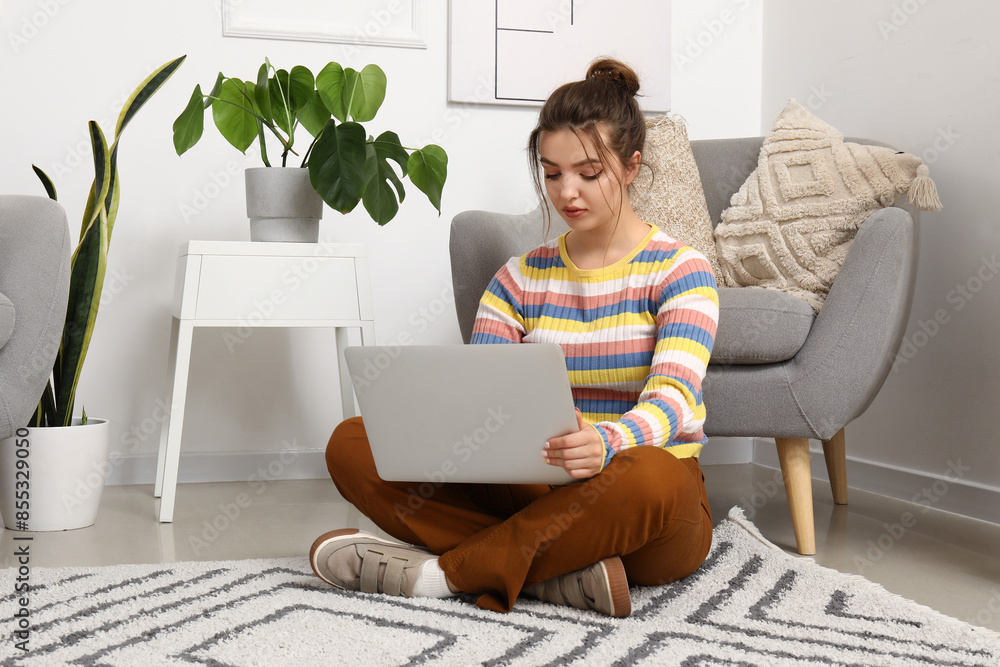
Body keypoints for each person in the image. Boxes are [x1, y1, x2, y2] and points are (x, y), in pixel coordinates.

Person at [309, 58, 719, 618]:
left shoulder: (681, 270)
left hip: (638, 503)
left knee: (651, 476)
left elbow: (672, 399)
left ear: (630, 167)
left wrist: (606, 443)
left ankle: (447, 574)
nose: (566, 192)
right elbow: (487, 396)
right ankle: (554, 572)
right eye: (551, 173)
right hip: (536, 490)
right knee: (354, 443)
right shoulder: (517, 278)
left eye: (588, 172)